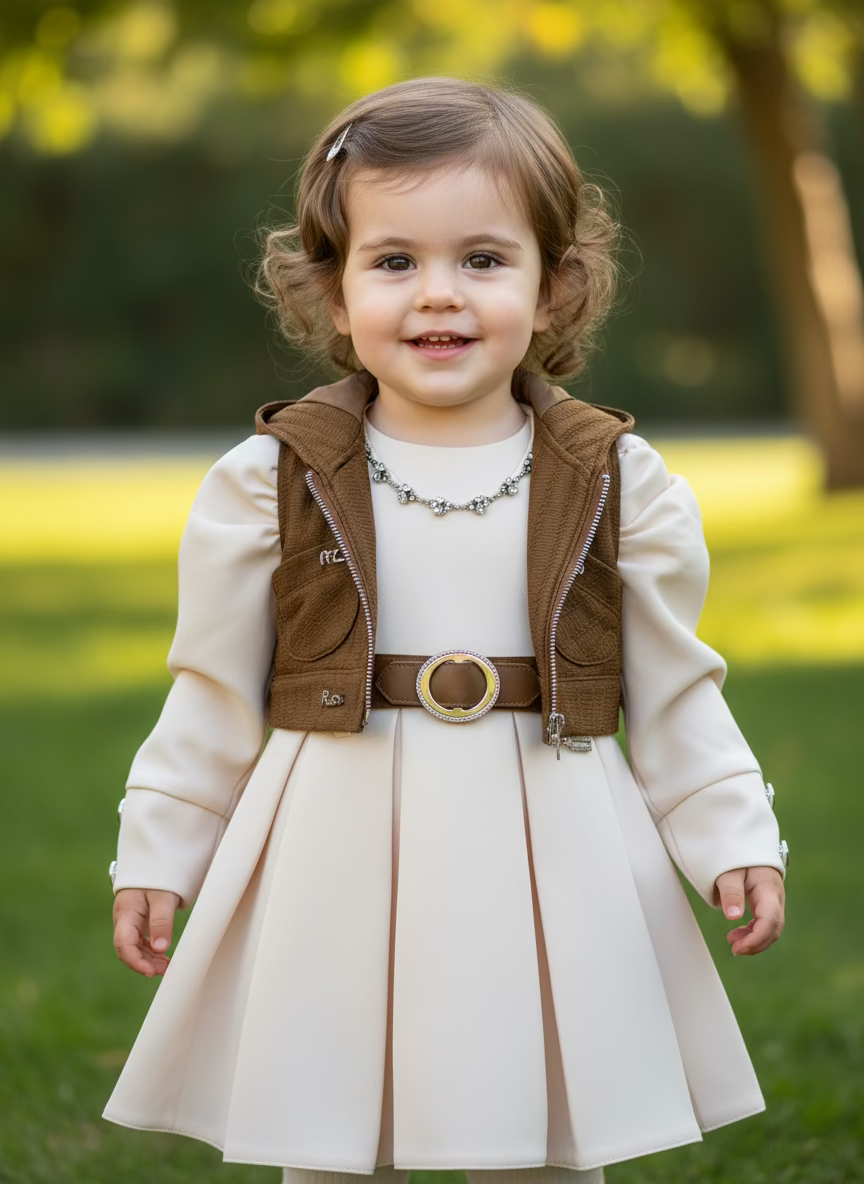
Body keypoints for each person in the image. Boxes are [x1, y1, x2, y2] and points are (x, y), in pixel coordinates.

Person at [103, 76, 788, 1184]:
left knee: (548, 1118)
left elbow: (676, 691)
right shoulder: (270, 481)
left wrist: (734, 837)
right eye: (393, 261)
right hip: (337, 832)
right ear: (331, 293)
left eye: (482, 258)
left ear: (555, 286)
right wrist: (162, 846)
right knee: (330, 1119)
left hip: (547, 831)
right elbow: (212, 692)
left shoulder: (620, 479)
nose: (439, 296)